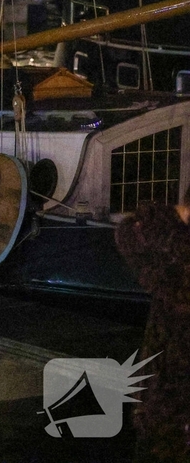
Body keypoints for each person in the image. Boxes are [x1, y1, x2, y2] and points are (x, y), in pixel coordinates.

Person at [114, 186, 190, 462]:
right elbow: (131, 231)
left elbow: (131, 232)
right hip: (168, 394)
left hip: (163, 393)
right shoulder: (179, 257)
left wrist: (173, 216)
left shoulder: (172, 256)